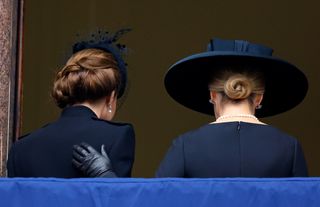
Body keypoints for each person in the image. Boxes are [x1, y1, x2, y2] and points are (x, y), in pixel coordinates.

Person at [72, 38, 309, 178]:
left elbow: (155, 202)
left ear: (212, 95)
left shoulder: (186, 145)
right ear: (259, 98)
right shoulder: (290, 148)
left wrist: (106, 176)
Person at [7, 31, 135, 178]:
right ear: (111, 97)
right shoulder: (119, 136)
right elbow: (118, 200)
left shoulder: (20, 148)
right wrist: (106, 175)